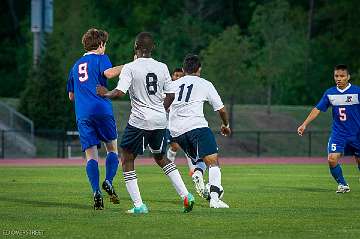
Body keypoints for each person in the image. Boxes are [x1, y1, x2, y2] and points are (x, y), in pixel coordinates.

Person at [96, 32, 195, 214]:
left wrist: (105, 93)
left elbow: (119, 92)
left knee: (126, 158)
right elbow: (171, 95)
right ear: (153, 48)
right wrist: (159, 110)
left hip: (140, 120)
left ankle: (138, 205)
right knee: (160, 157)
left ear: (135, 47)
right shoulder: (163, 67)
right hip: (159, 120)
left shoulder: (131, 67)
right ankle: (186, 195)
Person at [66, 28, 123, 210]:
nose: (104, 48)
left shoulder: (75, 66)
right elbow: (108, 74)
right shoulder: (101, 58)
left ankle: (96, 191)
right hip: (101, 109)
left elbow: (71, 96)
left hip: (83, 114)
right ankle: (108, 181)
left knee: (91, 155)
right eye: (104, 44)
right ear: (100, 44)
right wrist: (129, 66)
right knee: (112, 149)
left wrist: (84, 94)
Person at [168, 54, 231, 208]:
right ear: (199, 69)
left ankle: (197, 173)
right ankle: (215, 199)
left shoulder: (173, 84)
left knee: (200, 160)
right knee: (214, 162)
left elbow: (164, 104)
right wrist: (226, 125)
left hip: (177, 131)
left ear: (183, 70)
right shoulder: (205, 84)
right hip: (196, 126)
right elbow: (221, 110)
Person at [297, 64, 360, 193]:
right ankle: (343, 185)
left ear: (348, 77)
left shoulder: (357, 92)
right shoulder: (330, 93)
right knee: (332, 159)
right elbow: (317, 109)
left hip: (357, 134)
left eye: (342, 76)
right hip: (339, 133)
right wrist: (304, 124)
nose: (339, 78)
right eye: (336, 76)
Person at [166, 68, 196, 175]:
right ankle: (169, 167)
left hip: (184, 123)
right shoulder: (168, 88)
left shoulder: (185, 89)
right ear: (172, 76)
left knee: (188, 145)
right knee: (175, 146)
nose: (178, 78)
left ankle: (192, 170)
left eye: (180, 76)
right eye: (176, 75)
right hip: (169, 124)